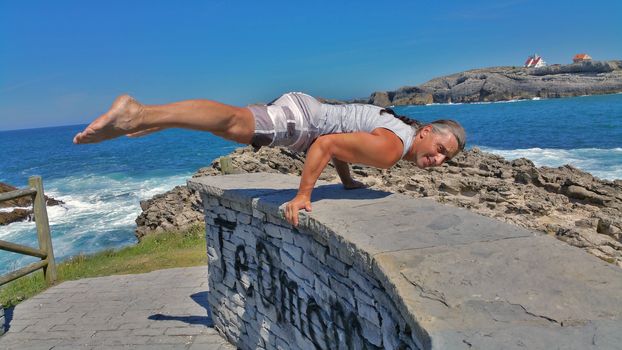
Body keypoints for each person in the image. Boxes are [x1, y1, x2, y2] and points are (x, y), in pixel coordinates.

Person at [73, 92, 466, 226]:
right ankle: (138, 113)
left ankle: (158, 119)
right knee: (233, 122)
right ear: (427, 132)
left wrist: (346, 181)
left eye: (446, 160)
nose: (439, 160)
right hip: (306, 120)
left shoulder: (395, 134)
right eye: (441, 150)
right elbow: (325, 146)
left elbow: (340, 142)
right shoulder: (394, 148)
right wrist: (303, 195)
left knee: (233, 124)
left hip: (308, 112)